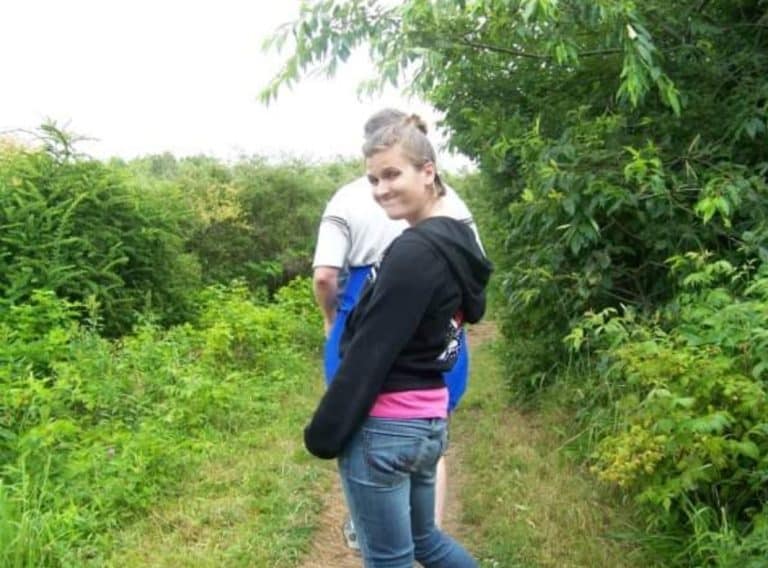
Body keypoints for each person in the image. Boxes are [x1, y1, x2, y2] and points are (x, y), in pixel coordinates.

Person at [305, 115, 492, 567]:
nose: (381, 189)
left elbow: (373, 350)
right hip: (428, 418)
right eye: (373, 179)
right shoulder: (456, 240)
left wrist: (325, 431)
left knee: (389, 559)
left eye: (392, 174)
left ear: (428, 171)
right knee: (426, 541)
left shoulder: (414, 251)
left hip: (385, 429)